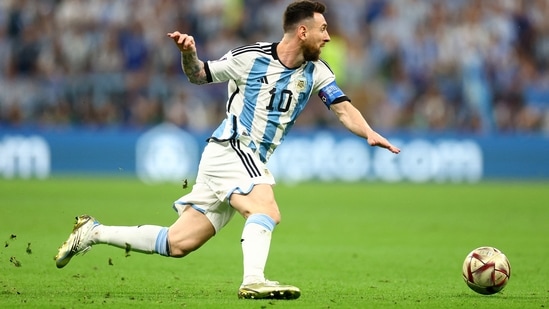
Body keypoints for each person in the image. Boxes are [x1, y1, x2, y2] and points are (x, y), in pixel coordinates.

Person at [54, 0, 400, 300]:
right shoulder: (249, 58)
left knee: (178, 243)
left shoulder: (317, 72)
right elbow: (199, 75)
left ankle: (92, 231)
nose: (328, 36)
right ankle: (253, 281)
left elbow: (342, 107)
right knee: (266, 208)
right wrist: (189, 55)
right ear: (302, 33)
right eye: (323, 29)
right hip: (233, 147)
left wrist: (368, 131)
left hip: (240, 160)